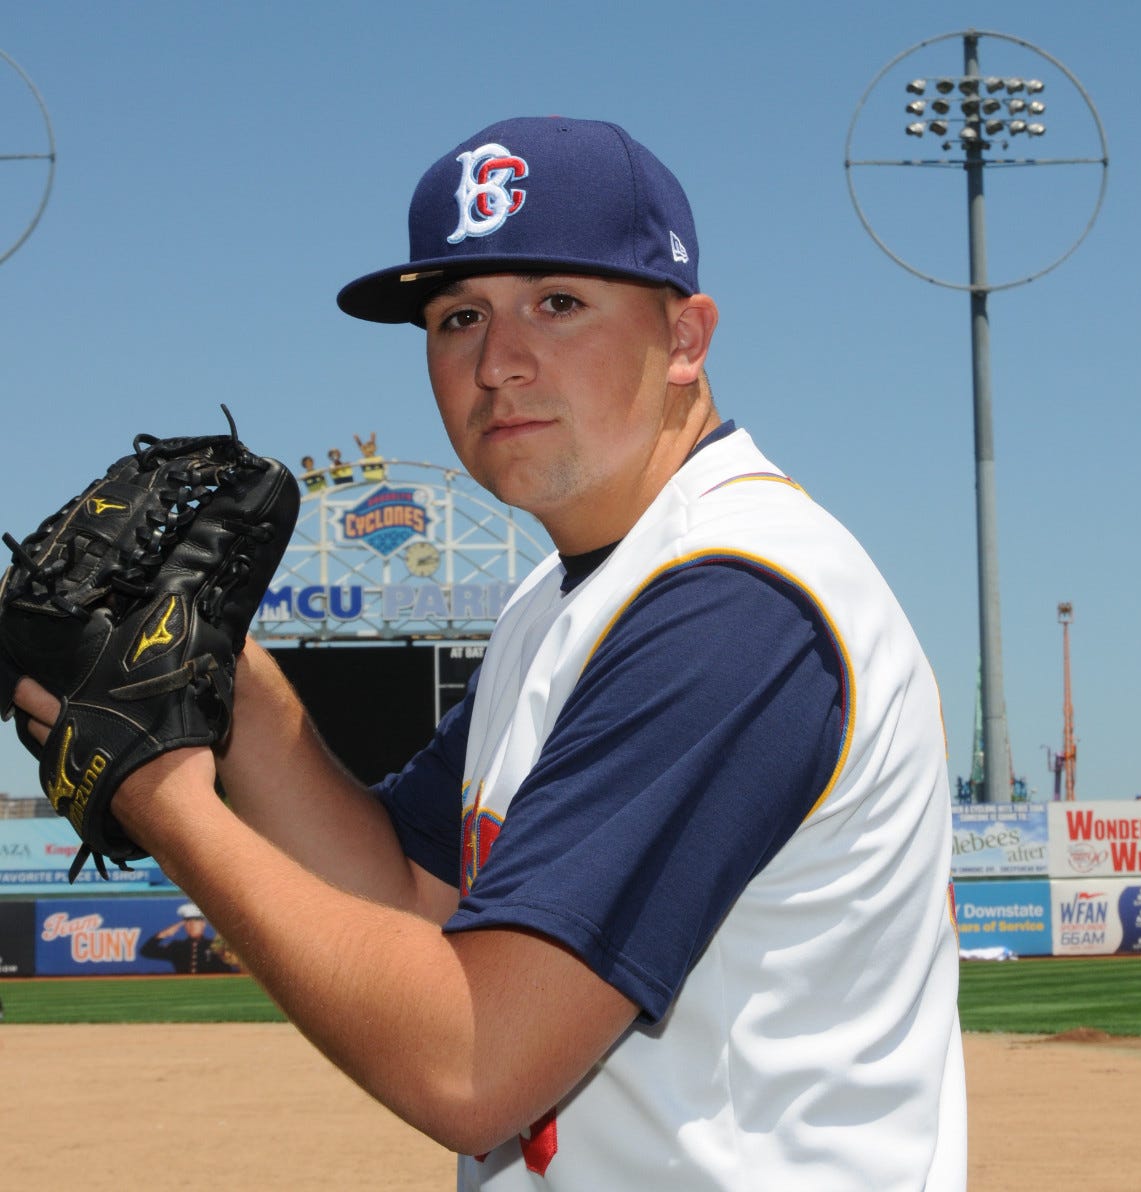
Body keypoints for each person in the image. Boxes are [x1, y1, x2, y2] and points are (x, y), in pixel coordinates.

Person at [13, 116, 965, 1189]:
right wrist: (223, 672)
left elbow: (472, 1061)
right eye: (457, 316)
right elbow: (407, 894)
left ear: (687, 337)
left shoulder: (736, 604)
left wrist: (157, 792)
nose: (498, 362)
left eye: (557, 303)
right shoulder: (560, 603)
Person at [140, 901, 239, 974]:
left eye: (196, 922)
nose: (191, 926)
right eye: (188, 922)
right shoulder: (177, 946)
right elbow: (146, 951)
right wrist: (163, 934)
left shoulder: (215, 945)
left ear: (203, 924)